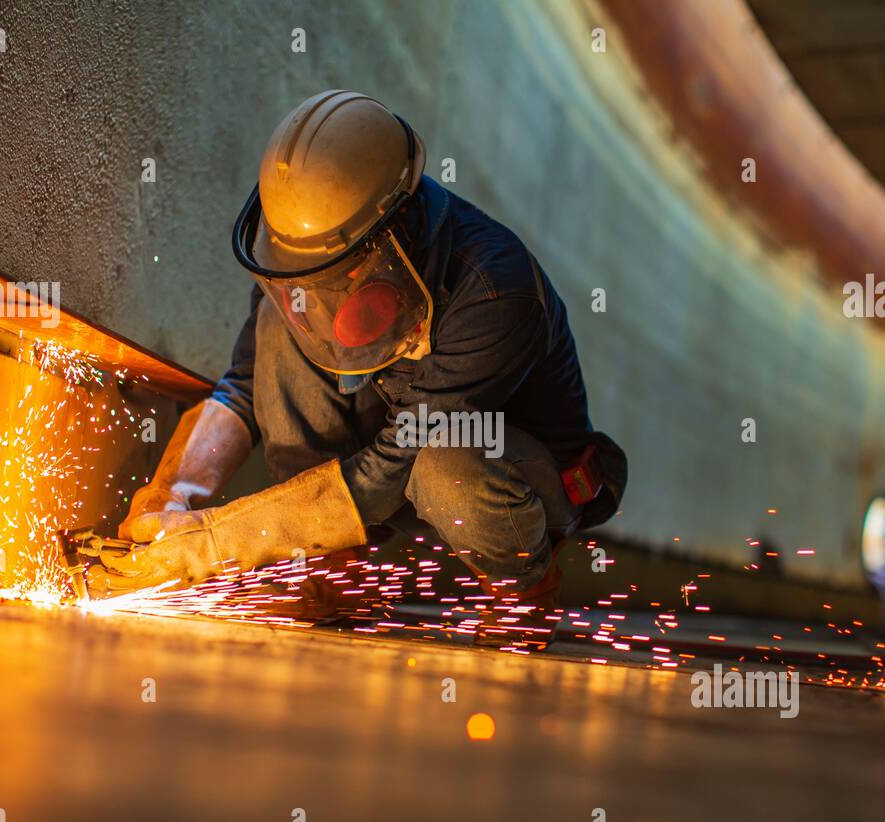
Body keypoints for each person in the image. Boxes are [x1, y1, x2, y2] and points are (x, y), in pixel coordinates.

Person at [91, 90, 626, 612]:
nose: (321, 289)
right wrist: (172, 495)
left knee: (447, 463)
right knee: (282, 326)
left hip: (507, 475)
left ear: (398, 229)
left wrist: (207, 545)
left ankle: (524, 588)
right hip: (397, 449)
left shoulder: (492, 293)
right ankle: (333, 563)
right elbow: (244, 386)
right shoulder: (303, 257)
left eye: (337, 271)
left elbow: (389, 469)